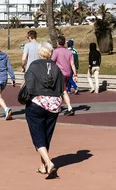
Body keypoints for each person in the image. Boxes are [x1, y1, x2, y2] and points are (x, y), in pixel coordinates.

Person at [23, 41, 64, 179]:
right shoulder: (56, 68)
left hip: (37, 103)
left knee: (37, 134)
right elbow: (61, 88)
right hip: (54, 105)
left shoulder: (34, 66)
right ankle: (42, 166)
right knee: (46, 135)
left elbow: (28, 84)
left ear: (40, 53)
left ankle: (48, 162)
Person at [51, 35, 76, 116]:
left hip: (60, 73)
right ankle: (59, 106)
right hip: (68, 73)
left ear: (57, 43)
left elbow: (52, 61)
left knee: (63, 90)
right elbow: (72, 64)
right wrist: (75, 74)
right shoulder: (69, 52)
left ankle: (69, 107)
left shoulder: (56, 51)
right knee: (61, 90)